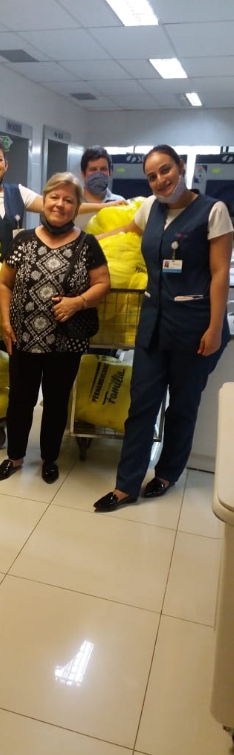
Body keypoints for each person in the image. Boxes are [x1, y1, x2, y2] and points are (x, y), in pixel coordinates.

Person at [94, 144, 233, 512]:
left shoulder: (212, 211)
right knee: (141, 405)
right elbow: (126, 230)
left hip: (196, 325)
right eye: (152, 175)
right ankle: (126, 485)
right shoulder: (148, 208)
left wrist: (216, 327)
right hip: (153, 324)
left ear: (181, 166)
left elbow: (220, 274)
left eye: (166, 170)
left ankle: (168, 472)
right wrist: (89, 243)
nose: (160, 180)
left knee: (182, 407)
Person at [0, 172, 110, 484]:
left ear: (76, 206)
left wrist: (78, 302)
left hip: (65, 342)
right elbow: (4, 283)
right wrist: (5, 321)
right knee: (20, 399)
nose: (60, 204)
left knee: (56, 402)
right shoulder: (23, 240)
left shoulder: (88, 244)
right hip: (22, 336)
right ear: (45, 201)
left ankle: (50, 458)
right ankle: (15, 457)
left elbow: (103, 284)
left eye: (68, 200)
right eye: (54, 197)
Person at [0, 138, 123, 259]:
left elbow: (54, 205)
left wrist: (104, 206)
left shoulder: (18, 192)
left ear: (6, 164)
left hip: (13, 268)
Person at [74, 145, 125, 231]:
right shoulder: (72, 202)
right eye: (93, 169)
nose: (98, 174)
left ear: (110, 172)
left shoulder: (120, 203)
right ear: (83, 174)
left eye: (103, 169)